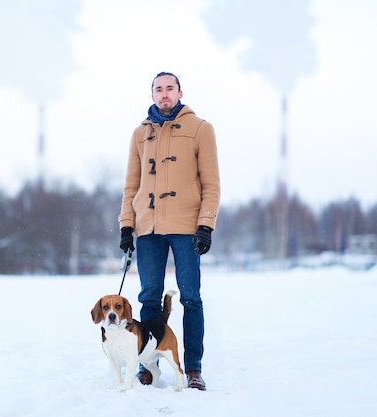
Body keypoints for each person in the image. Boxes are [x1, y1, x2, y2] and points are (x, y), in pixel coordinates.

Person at [118, 71, 221, 390]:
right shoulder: (139, 133)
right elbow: (130, 185)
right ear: (152, 95)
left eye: (169, 88)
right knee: (148, 297)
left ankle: (192, 368)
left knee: (191, 297)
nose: (164, 94)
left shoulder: (201, 129)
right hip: (147, 227)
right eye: (158, 89)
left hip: (186, 226)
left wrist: (206, 224)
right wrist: (126, 226)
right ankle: (146, 365)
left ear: (180, 92)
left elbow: (212, 183)